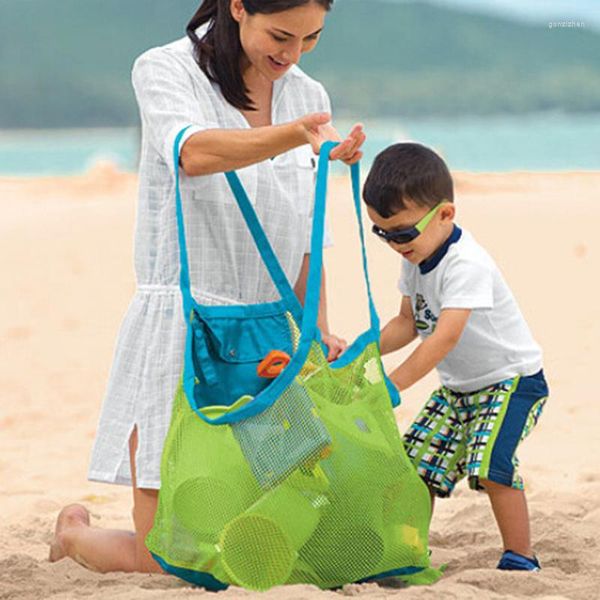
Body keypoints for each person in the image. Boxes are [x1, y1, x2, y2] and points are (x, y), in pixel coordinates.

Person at [49, 0, 365, 574]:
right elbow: (191, 153)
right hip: (184, 324)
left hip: (272, 335)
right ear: (238, 6)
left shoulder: (308, 96)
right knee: (168, 558)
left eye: (311, 39)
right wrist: (293, 136)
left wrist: (316, 330)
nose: (291, 55)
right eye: (280, 35)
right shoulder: (165, 69)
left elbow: (305, 234)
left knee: (271, 543)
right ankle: (73, 536)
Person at [362, 142, 549, 571]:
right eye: (382, 233)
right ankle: (410, 551)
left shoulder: (467, 264)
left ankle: (521, 556)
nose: (394, 244)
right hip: (459, 389)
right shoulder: (415, 256)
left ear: (445, 214)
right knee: (416, 467)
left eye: (402, 232)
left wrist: (392, 385)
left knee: (491, 466)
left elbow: (442, 338)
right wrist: (362, 350)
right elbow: (407, 323)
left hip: (512, 383)